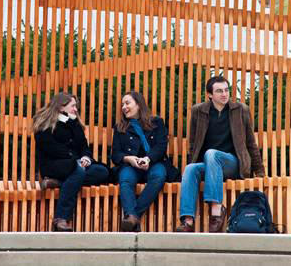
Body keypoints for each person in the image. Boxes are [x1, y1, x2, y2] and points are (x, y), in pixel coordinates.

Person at [175, 76, 265, 233]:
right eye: (219, 91)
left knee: (212, 154)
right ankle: (187, 221)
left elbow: (250, 142)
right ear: (210, 95)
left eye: (226, 90)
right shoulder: (198, 111)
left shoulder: (240, 110)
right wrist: (194, 162)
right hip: (210, 166)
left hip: (232, 164)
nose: (224, 94)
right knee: (190, 169)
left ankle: (216, 210)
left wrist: (259, 171)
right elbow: (193, 144)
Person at [32, 92, 109, 232]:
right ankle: (60, 218)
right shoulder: (45, 123)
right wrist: (75, 160)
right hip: (54, 165)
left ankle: (57, 183)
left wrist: (85, 158)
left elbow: (84, 147)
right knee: (77, 170)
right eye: (73, 106)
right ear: (62, 107)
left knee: (102, 171)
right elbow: (49, 147)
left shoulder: (74, 124)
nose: (76, 109)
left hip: (74, 166)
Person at [110, 91, 175, 232]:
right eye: (122, 104)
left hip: (154, 162)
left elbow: (161, 146)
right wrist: (128, 159)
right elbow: (115, 154)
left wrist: (148, 158)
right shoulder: (120, 127)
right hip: (131, 165)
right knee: (125, 179)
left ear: (138, 104)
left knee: (159, 176)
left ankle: (133, 216)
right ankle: (133, 218)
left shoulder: (157, 122)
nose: (124, 107)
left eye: (127, 103)